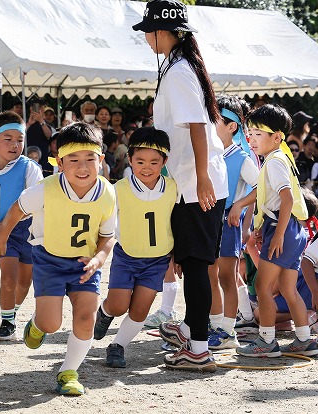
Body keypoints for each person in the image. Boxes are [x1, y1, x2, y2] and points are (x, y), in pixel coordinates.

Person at [133, 0, 228, 371]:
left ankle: (198, 349)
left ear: (163, 32)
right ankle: (191, 329)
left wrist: (201, 177)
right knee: (193, 262)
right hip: (194, 178)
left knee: (196, 263)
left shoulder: (178, 71)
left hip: (195, 181)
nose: (146, 39)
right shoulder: (182, 65)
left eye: (148, 32)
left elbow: (198, 127)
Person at [0, 122, 116, 396]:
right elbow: (17, 209)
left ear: (101, 160)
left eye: (89, 159)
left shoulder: (108, 192)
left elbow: (108, 236)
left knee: (87, 318)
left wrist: (99, 258)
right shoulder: (45, 189)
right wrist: (1, 238)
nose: (82, 167)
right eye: (73, 159)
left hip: (85, 265)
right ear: (59, 162)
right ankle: (37, 324)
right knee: (51, 324)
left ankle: (68, 372)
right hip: (49, 260)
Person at [233, 104, 318, 357]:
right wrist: (244, 207)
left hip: (283, 228)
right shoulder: (278, 157)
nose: (252, 139)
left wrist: (278, 234)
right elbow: (263, 192)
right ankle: (304, 340)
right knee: (289, 289)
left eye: (258, 134)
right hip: (291, 229)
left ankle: (267, 342)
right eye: (250, 133)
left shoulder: (274, 161)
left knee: (262, 287)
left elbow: (287, 198)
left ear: (277, 137)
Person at [92, 126, 176, 368]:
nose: (146, 167)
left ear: (165, 162)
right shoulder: (118, 189)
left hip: (158, 260)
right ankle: (105, 312)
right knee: (118, 305)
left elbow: (179, 223)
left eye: (154, 162)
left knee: (140, 311)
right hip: (127, 256)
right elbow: (103, 222)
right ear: (129, 159)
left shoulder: (173, 188)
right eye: (140, 161)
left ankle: (117, 346)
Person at [0, 111, 43, 341]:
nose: (15, 145)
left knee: (25, 282)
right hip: (4, 234)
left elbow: (35, 202)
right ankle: (7, 323)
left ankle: (12, 314)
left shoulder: (29, 167)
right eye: (8, 139)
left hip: (30, 229)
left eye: (19, 139)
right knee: (8, 277)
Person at [207, 95, 259, 350]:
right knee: (209, 274)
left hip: (228, 221)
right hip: (208, 219)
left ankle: (228, 331)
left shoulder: (241, 157)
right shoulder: (208, 152)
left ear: (231, 127)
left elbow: (262, 187)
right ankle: (216, 325)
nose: (210, 123)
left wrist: (239, 205)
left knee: (228, 277)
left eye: (215, 119)